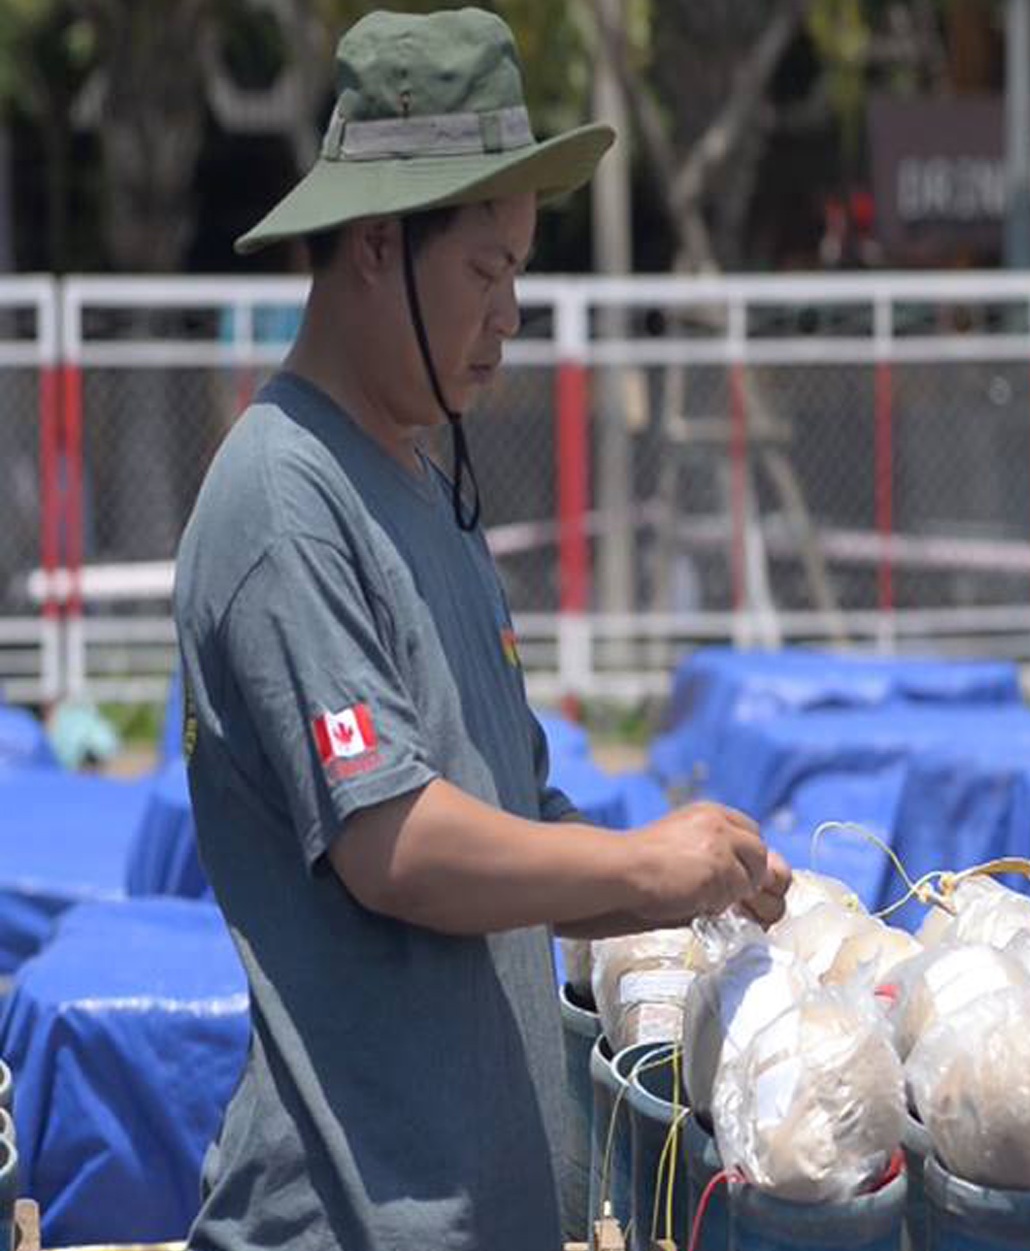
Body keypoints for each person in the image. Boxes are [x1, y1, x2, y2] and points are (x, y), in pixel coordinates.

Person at [173, 10, 790, 1249]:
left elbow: (509, 821)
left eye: (520, 271)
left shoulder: (424, 488)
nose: (511, 310)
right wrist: (639, 865)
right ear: (376, 245)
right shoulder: (284, 499)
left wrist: (687, 880)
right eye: (486, 271)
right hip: (351, 1218)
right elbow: (394, 844)